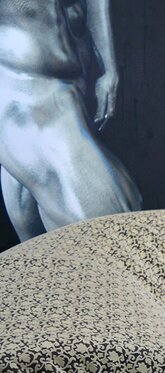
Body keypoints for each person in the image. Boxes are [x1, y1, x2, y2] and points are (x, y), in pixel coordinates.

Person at [0, 0, 141, 242]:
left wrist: (109, 69)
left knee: (44, 248)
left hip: (69, 92)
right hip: (24, 94)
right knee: (111, 224)